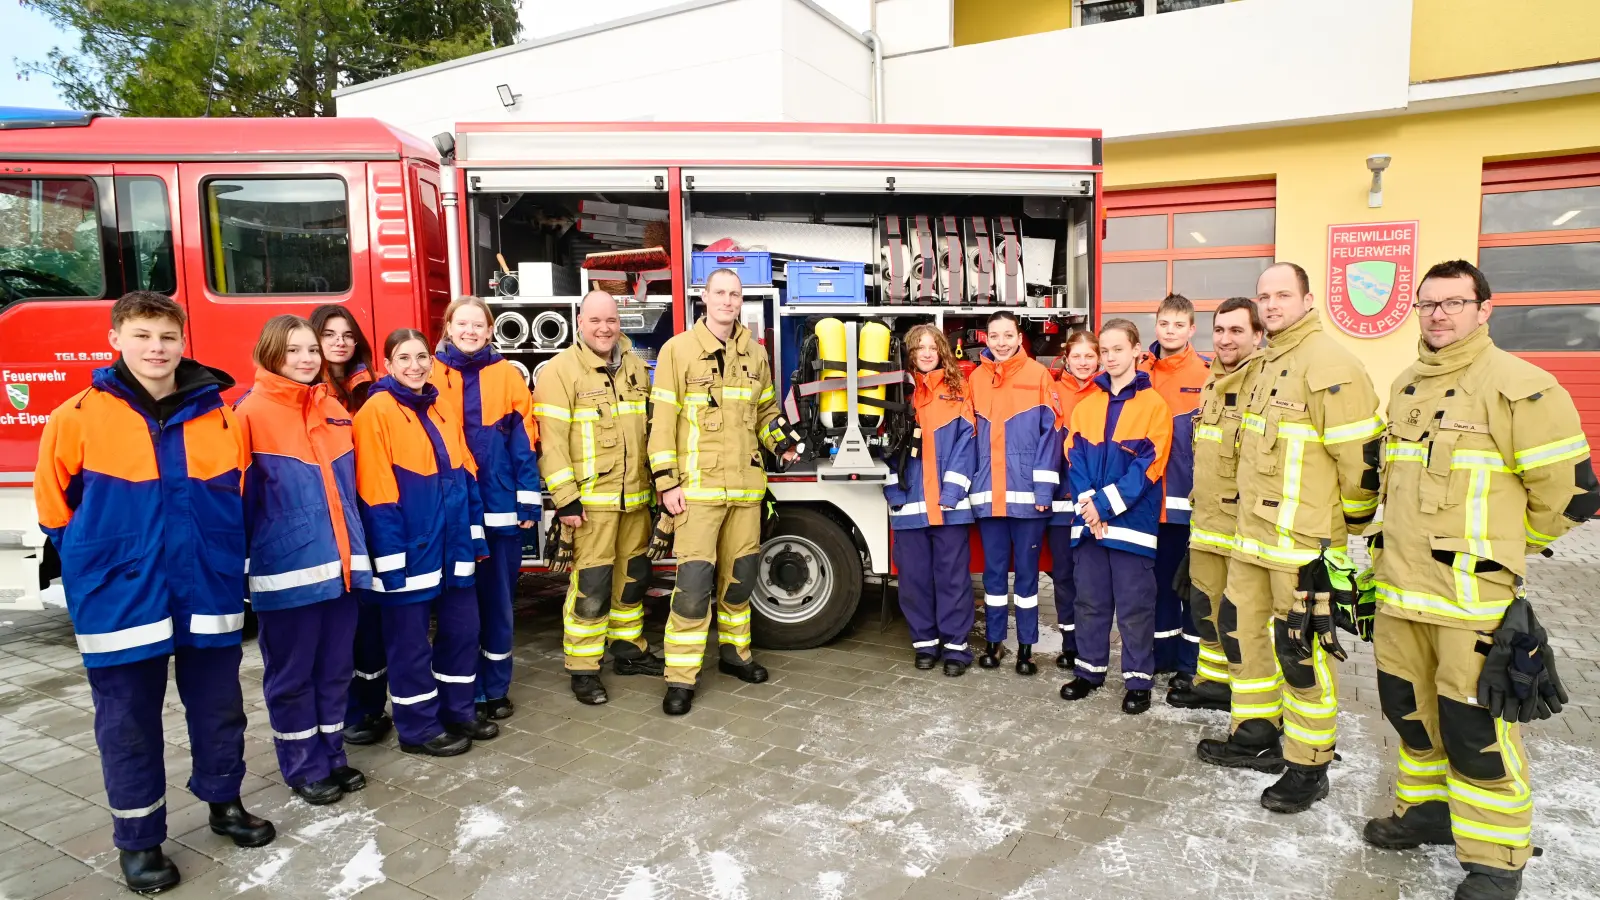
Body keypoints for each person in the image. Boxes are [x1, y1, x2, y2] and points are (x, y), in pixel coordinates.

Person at [1362, 260, 1598, 900]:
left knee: (1477, 734)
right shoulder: (1407, 385)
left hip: (1471, 603)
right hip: (1400, 598)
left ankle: (1496, 860)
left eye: (1453, 302)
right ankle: (1427, 815)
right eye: (1428, 303)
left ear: (1483, 308)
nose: (1438, 314)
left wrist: (1508, 553)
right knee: (1410, 716)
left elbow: (1572, 498)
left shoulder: (1522, 386)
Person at [34, 291, 274, 894]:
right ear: (116, 339)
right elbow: (53, 511)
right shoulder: (78, 416)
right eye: (142, 336)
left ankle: (224, 805)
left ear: (183, 342)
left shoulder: (218, 415)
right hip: (122, 599)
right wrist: (103, 567)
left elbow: (239, 496)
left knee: (220, 711)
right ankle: (139, 841)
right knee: (128, 723)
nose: (156, 348)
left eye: (167, 337)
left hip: (207, 590)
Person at [1205, 262, 1382, 813]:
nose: (1272, 304)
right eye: (1265, 295)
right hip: (1251, 543)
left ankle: (1310, 763)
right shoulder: (1263, 365)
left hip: (1303, 548)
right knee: (1242, 637)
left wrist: (1343, 527)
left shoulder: (1331, 365)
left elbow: (1360, 465)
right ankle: (1256, 733)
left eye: (1283, 294)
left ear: (1308, 299)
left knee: (1300, 653)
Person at [647, 268, 798, 715]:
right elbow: (662, 424)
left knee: (741, 579)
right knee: (693, 586)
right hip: (696, 493)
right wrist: (667, 483)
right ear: (705, 297)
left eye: (735, 294)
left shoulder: (755, 353)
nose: (728, 301)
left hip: (747, 492)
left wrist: (780, 443)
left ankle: (735, 655)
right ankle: (680, 677)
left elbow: (766, 409)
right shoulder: (678, 351)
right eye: (720, 293)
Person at [234, 315, 370, 805]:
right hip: (285, 574)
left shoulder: (332, 408)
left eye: (312, 349)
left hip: (341, 570)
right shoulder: (248, 414)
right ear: (272, 353)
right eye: (294, 350)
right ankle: (302, 765)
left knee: (335, 670)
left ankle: (331, 754)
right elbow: (240, 501)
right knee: (292, 677)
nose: (308, 358)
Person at [354, 328, 498, 755]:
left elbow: (466, 477)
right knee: (409, 646)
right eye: (404, 358)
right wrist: (390, 560)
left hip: (452, 546)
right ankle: (418, 729)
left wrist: (473, 540)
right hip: (408, 552)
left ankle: (457, 709)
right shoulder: (375, 412)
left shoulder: (439, 407)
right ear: (387, 365)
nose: (415, 366)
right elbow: (376, 494)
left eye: (421, 357)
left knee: (462, 630)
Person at [534, 290, 665, 706]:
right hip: (591, 505)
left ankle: (628, 649)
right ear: (580, 324)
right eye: (595, 321)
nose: (604, 328)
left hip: (636, 499)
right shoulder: (558, 372)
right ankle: (584, 667)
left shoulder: (635, 368)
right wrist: (566, 499)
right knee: (591, 585)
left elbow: (648, 430)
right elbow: (550, 444)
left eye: (611, 320)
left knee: (634, 578)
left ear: (619, 323)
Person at [431, 296, 540, 720]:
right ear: (448, 326)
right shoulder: (430, 374)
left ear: (491, 330)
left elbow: (523, 441)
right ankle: (459, 690)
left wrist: (527, 498)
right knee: (456, 609)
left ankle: (494, 689)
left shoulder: (507, 376)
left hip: (498, 513)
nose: (471, 331)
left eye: (479, 325)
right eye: (463, 324)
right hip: (453, 513)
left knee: (497, 605)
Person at [1059, 318, 1172, 714]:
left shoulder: (1154, 405)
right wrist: (1090, 507)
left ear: (1137, 351)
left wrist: (1102, 506)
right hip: (1091, 524)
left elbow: (1149, 465)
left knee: (1135, 607)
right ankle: (1089, 672)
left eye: (1117, 349)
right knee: (1089, 602)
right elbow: (1074, 457)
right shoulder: (1087, 404)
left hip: (1131, 525)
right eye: (1104, 351)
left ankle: (1138, 681)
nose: (1109, 357)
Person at [1169, 298, 1262, 721]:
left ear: (1258, 335)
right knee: (1207, 609)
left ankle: (1253, 709)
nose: (1225, 339)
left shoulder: (1262, 386)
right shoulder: (1212, 382)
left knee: (1243, 621)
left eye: (1237, 331)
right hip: (1207, 522)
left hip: (1246, 527)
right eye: (1220, 330)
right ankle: (1214, 686)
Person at [310, 306, 392, 748]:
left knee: (369, 621)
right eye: (329, 334)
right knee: (336, 626)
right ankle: (342, 711)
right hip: (328, 521)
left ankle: (371, 707)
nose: (340, 341)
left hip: (367, 514)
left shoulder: (372, 390)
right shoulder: (308, 393)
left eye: (347, 334)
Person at [968, 310, 1063, 674]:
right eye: (995, 336)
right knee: (993, 576)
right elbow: (968, 438)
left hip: (1028, 500)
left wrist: (1043, 490)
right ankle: (994, 642)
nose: (1002, 342)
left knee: (1026, 575)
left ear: (1019, 337)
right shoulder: (976, 379)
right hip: (989, 497)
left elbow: (1051, 436)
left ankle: (1025, 646)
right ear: (986, 339)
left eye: (1008, 335)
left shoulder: (1039, 376)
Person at [885, 324, 978, 677]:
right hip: (908, 507)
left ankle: (956, 648)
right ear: (908, 353)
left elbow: (967, 443)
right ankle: (925, 644)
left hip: (949, 508)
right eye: (919, 347)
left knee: (953, 578)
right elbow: (886, 450)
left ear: (942, 352)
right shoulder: (895, 393)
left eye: (932, 347)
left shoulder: (958, 391)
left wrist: (952, 493)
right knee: (915, 580)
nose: (926, 353)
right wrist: (894, 491)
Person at [1140, 294, 1211, 695]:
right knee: (1159, 584)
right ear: (1156, 325)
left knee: (1192, 586)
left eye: (1178, 325)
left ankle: (1190, 663)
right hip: (1148, 502)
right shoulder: (1140, 372)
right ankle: (1161, 654)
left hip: (1188, 501)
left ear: (1190, 328)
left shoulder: (1206, 374)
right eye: (1164, 324)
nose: (1170, 331)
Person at [1047, 329, 1100, 671]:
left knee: (1090, 579)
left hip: (1094, 501)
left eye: (1089, 356)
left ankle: (1090, 644)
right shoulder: (1052, 391)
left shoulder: (1107, 392)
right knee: (1063, 575)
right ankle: (1070, 643)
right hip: (1059, 501)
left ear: (1099, 358)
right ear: (1066, 358)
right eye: (1076, 356)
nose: (1082, 363)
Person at [313, 304, 375, 412]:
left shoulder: (376, 384)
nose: (341, 343)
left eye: (348, 336)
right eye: (329, 335)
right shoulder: (304, 388)